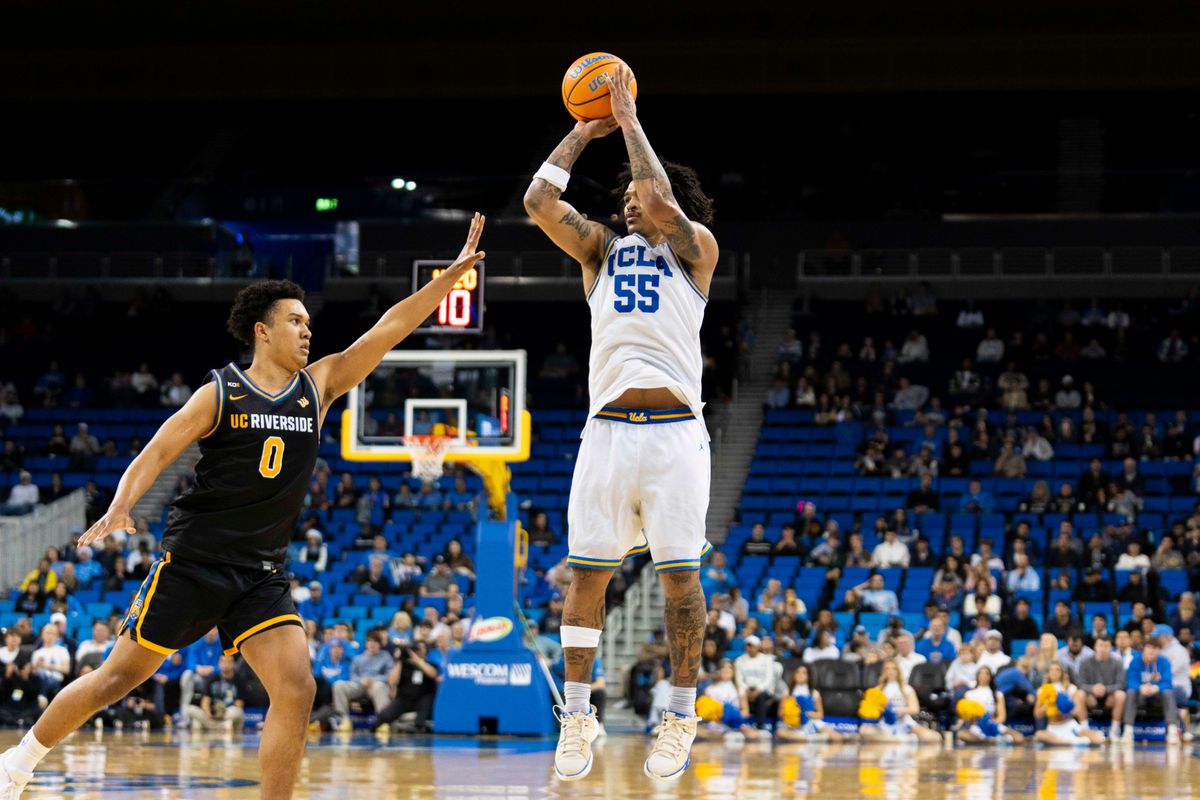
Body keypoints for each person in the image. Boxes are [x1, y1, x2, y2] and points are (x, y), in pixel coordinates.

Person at [0, 218, 486, 800]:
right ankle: (19, 762)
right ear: (262, 331)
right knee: (117, 678)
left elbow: (388, 329)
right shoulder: (222, 392)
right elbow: (157, 450)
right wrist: (122, 505)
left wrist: (446, 283)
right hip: (195, 562)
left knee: (298, 686)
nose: (308, 331)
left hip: (260, 571)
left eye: (310, 322)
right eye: (295, 322)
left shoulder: (320, 385)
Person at [524, 64, 719, 783]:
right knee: (584, 577)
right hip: (606, 432)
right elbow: (540, 199)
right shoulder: (600, 251)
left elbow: (663, 199)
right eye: (625, 195)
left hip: (674, 438)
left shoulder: (696, 249)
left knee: (681, 584)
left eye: (635, 192)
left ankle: (679, 715)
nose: (628, 201)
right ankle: (578, 713)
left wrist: (631, 117)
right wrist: (584, 128)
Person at [857, 659, 941, 744]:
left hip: (904, 722)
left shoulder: (907, 688)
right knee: (864, 731)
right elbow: (870, 711)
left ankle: (891, 741)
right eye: (887, 669)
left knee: (934, 737)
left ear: (898, 671)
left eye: (893, 668)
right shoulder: (876, 690)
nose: (890, 671)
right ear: (883, 672)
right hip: (884, 723)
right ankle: (904, 740)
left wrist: (896, 710)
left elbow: (915, 709)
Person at [1123, 636, 1182, 744]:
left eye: (1155, 648)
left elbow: (1168, 682)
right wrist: (1140, 687)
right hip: (1140, 696)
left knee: (1168, 692)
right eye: (1149, 647)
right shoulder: (1135, 661)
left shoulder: (1164, 662)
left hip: (1157, 696)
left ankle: (1172, 731)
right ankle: (1128, 731)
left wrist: (1156, 687)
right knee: (1131, 691)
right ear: (1144, 649)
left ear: (1159, 651)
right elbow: (1130, 681)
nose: (1151, 650)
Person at [1034, 662, 1103, 746]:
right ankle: (1071, 742)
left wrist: (1065, 709)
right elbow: (1037, 714)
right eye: (1051, 669)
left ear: (1062, 673)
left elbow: (1078, 711)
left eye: (1057, 669)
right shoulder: (1042, 690)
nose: (1054, 672)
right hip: (1053, 728)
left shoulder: (1071, 688)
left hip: (1069, 725)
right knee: (1039, 735)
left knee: (1097, 738)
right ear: (1048, 673)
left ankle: (1069, 741)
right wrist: (1049, 705)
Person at [775, 664, 847, 743]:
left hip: (810, 723)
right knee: (780, 733)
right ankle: (813, 739)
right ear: (794, 675)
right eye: (798, 672)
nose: (800, 675)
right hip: (792, 725)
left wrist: (808, 714)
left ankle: (808, 738)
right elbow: (780, 713)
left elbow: (820, 715)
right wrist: (792, 713)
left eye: (804, 673)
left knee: (836, 737)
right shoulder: (787, 692)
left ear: (809, 676)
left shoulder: (814, 693)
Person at [955, 666, 1024, 744]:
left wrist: (991, 724)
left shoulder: (998, 694)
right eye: (980, 673)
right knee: (961, 734)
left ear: (990, 677)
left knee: (1019, 738)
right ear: (977, 676)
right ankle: (991, 741)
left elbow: (1002, 716)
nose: (983, 676)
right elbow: (966, 717)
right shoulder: (969, 694)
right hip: (976, 727)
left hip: (993, 725)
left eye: (986, 673)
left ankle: (990, 740)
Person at [1077, 636, 1127, 740]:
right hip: (1091, 697)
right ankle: (1084, 729)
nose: (1103, 648)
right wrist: (1092, 689)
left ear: (1111, 648)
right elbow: (1080, 683)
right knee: (1080, 694)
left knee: (1121, 695)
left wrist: (1106, 689)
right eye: (1100, 645)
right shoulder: (1085, 662)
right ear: (1095, 646)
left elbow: (1121, 684)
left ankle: (1114, 730)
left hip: (1110, 697)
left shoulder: (1117, 662)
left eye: (1106, 646)